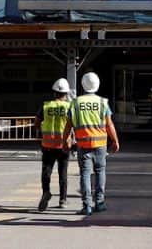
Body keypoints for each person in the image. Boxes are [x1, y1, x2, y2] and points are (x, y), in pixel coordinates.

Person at [64, 71, 120, 216]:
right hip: (100, 144)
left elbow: (68, 125)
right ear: (97, 85)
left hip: (83, 145)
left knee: (85, 174)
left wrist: (66, 140)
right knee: (100, 172)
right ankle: (100, 203)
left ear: (83, 85)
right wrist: (115, 140)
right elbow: (109, 124)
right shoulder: (102, 102)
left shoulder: (75, 103)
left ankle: (87, 205)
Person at [34, 78, 72, 211]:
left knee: (46, 171)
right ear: (66, 94)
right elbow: (74, 124)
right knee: (63, 173)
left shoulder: (45, 106)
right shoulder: (69, 107)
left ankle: (46, 192)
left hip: (48, 145)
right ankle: (63, 199)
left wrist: (41, 132)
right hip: (64, 145)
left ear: (54, 93)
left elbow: (36, 123)